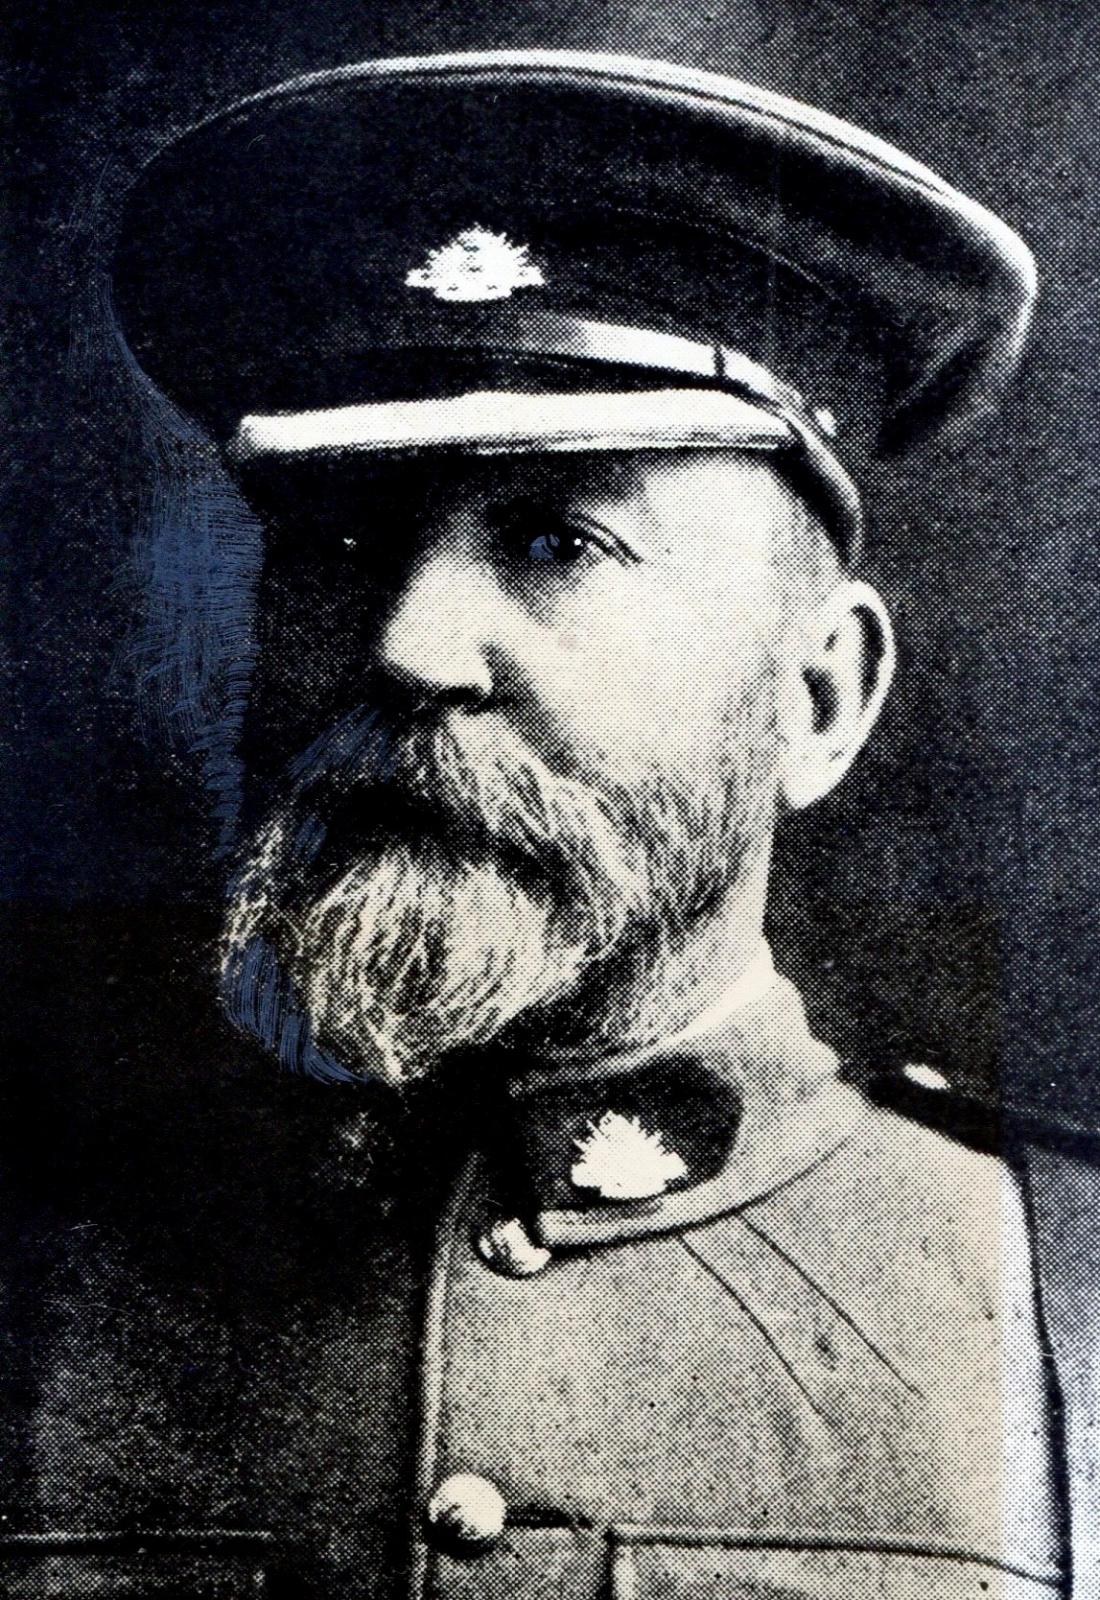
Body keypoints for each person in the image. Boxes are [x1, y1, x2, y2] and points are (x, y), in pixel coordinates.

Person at [3, 49, 1098, 1600]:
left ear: (820, 700)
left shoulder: (1067, 1311)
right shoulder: (40, 1272)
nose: (406, 643)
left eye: (558, 538)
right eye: (339, 537)